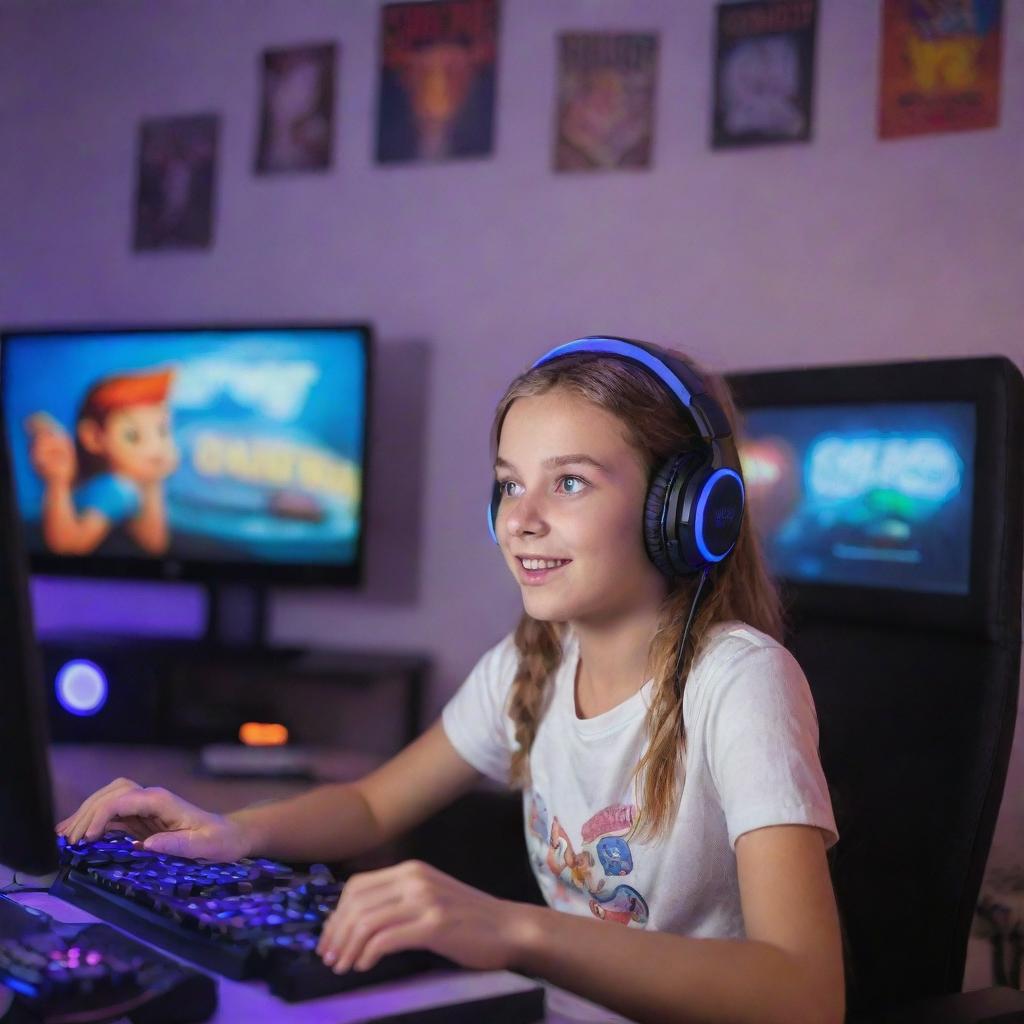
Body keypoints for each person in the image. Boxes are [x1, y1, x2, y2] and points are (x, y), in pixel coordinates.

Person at [56, 337, 845, 1024]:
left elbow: (805, 996)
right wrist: (235, 832)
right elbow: (372, 803)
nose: (520, 517)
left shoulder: (739, 682)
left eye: (568, 482)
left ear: (684, 510)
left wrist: (512, 929)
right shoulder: (530, 666)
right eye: (509, 483)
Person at [25, 367, 179, 556]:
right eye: (133, 436)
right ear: (94, 438)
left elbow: (151, 542)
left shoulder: (128, 487)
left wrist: (153, 481)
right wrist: (57, 482)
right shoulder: (115, 488)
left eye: (162, 431)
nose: (155, 448)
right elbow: (68, 547)